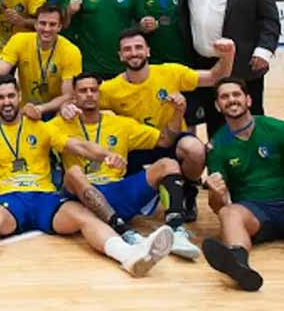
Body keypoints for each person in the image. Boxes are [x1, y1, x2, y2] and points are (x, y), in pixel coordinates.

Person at [0, 75, 174, 278]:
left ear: (19, 97)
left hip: (44, 197)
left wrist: (106, 155)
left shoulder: (41, 127)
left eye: (11, 96)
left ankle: (129, 256)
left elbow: (79, 146)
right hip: (10, 200)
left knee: (82, 215)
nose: (6, 102)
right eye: (0, 97)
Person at [54, 73, 201, 260]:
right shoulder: (57, 125)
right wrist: (59, 109)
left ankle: (176, 230)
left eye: (94, 90)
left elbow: (165, 140)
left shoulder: (121, 124)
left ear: (100, 95)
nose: (89, 94)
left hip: (117, 190)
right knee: (73, 172)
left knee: (168, 164)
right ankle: (124, 231)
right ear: (74, 97)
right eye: (83, 91)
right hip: (83, 197)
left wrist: (178, 113)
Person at [98, 29, 235, 221]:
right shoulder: (110, 89)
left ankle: (187, 190)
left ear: (148, 51)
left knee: (194, 149)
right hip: (137, 146)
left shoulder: (170, 72)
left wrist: (228, 55)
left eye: (138, 47)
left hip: (172, 140)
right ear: (121, 56)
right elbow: (82, 101)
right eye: (127, 49)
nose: (134, 52)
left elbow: (214, 77)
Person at [178, 0, 280, 137]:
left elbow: (269, 19)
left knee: (249, 124)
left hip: (242, 64)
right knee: (214, 124)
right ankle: (220, 167)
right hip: (202, 65)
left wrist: (263, 52)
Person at [203, 78, 284, 292]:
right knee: (229, 214)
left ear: (248, 100)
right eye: (224, 97)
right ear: (217, 106)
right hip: (256, 213)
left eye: (236, 94)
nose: (231, 100)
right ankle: (238, 264)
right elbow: (217, 207)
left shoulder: (276, 129)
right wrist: (216, 191)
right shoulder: (217, 146)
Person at [0, 4, 80, 120]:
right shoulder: (19, 40)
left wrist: (40, 109)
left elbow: (67, 96)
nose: (46, 29)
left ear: (59, 27)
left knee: (69, 110)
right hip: (25, 109)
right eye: (42, 23)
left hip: (55, 109)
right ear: (36, 24)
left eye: (52, 24)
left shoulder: (71, 51)